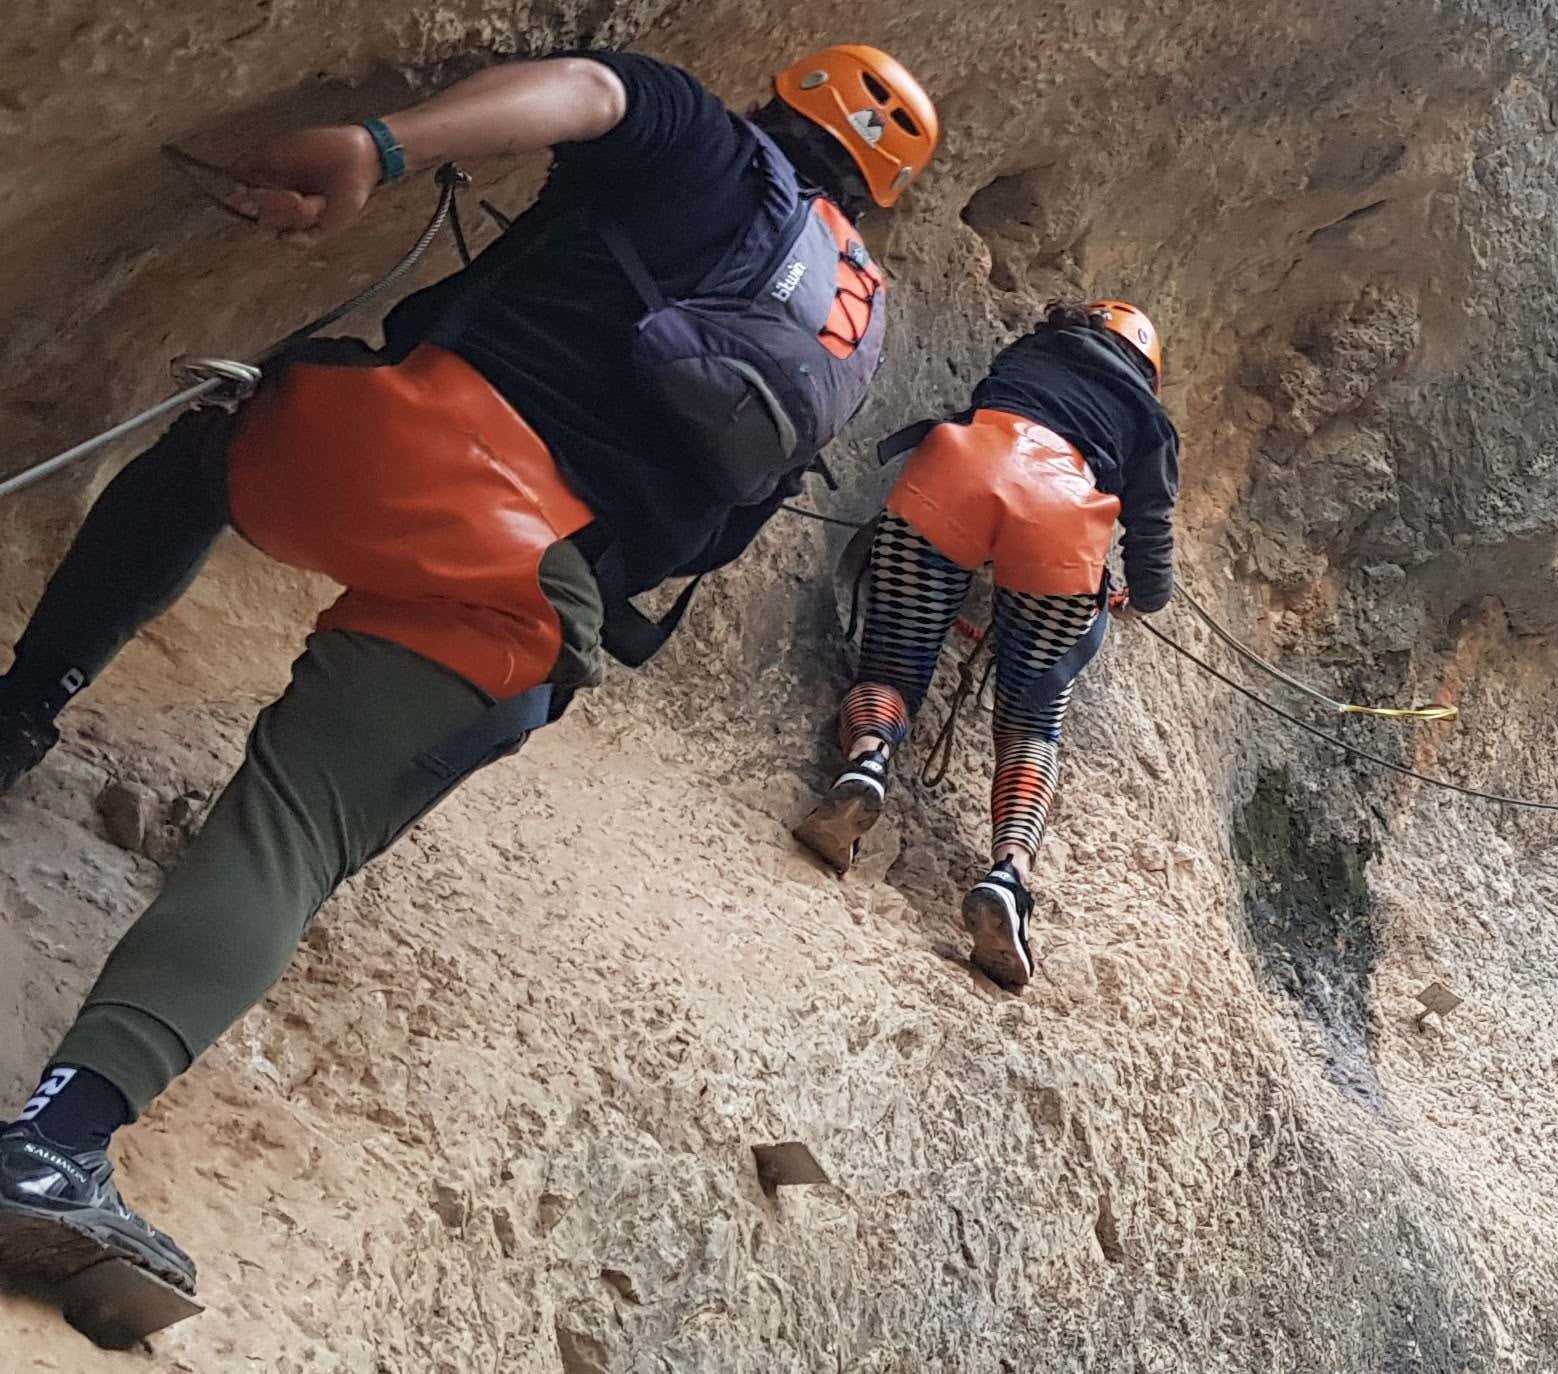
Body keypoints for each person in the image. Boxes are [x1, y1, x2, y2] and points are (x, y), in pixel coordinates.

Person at [0, 46, 936, 1305]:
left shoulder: (709, 151)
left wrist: (382, 148)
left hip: (383, 447)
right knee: (292, 833)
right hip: (530, 588)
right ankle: (56, 1146)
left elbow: (594, 94)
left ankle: (20, 710)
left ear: (783, 106)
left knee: (205, 454)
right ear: (878, 195)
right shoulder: (849, 329)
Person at [789, 301, 1178, 993]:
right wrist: (1139, 597)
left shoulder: (1030, 352)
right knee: (1032, 721)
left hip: (955, 474)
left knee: (892, 669)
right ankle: (1008, 875)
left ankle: (869, 762)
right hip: (1062, 526)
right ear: (1145, 370)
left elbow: (990, 420)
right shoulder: (1149, 421)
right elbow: (1151, 539)